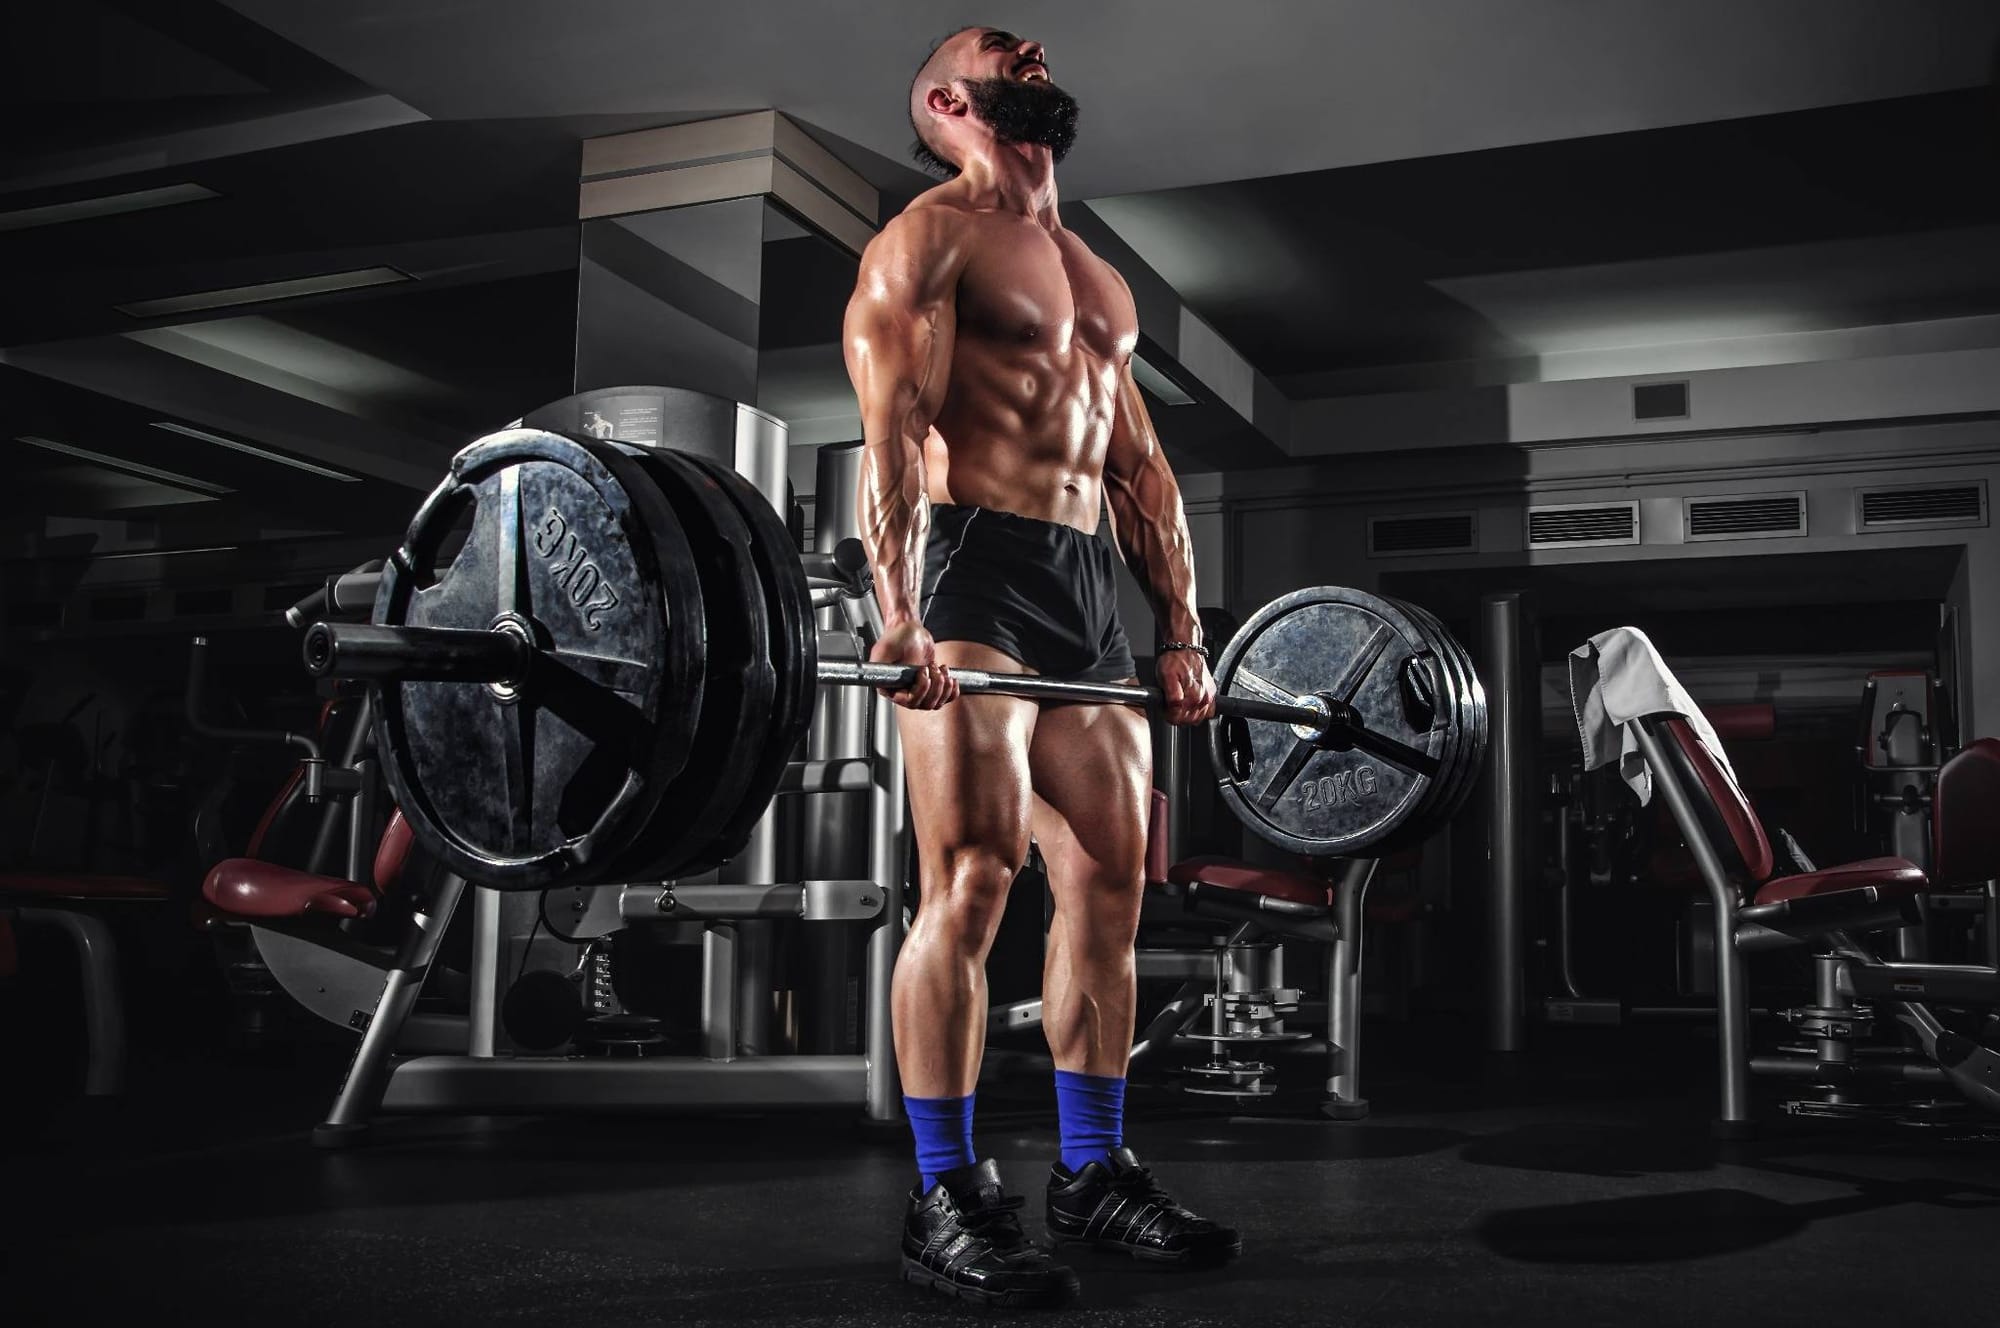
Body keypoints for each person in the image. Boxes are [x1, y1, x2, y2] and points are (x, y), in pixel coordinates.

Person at [843, 25, 1240, 1310]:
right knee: (968, 881)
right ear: (951, 98)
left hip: (1086, 592)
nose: (1035, 42)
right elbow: (893, 432)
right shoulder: (928, 237)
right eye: (996, 43)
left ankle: (1088, 1170)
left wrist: (1177, 623)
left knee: (1110, 891)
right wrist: (895, 608)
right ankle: (946, 1190)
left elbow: (1138, 466)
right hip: (971, 572)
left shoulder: (1094, 272)